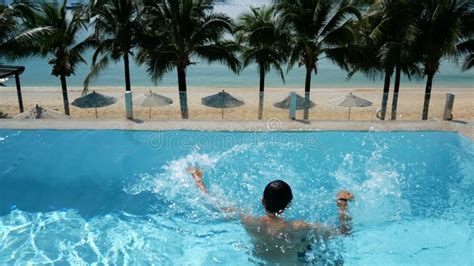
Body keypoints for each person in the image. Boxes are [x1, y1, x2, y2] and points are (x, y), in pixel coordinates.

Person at [186, 167, 354, 264]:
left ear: (262, 201)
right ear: (289, 204)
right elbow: (344, 232)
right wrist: (342, 206)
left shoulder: (249, 222)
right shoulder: (299, 227)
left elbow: (212, 203)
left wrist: (199, 181)